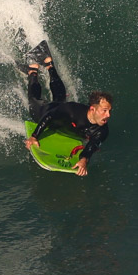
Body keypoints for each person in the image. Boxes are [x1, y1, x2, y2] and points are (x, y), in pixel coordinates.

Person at [20, 41, 112, 177]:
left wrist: (84, 160)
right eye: (104, 110)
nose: (108, 115)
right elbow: (49, 116)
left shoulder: (102, 130)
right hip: (48, 111)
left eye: (109, 111)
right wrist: (34, 136)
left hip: (61, 112)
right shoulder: (74, 111)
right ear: (92, 109)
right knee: (34, 102)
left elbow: (92, 146)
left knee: (60, 97)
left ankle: (49, 64)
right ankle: (33, 71)